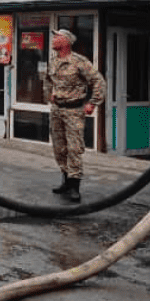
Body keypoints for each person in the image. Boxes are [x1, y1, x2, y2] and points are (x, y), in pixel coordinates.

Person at [41, 28, 106, 203]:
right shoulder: (54, 61)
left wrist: (93, 102)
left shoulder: (79, 61)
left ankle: (75, 186)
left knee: (74, 148)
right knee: (59, 148)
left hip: (73, 111)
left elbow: (98, 81)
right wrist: (49, 95)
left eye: (57, 37)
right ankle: (66, 181)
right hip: (57, 110)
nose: (53, 39)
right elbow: (48, 80)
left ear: (66, 42)